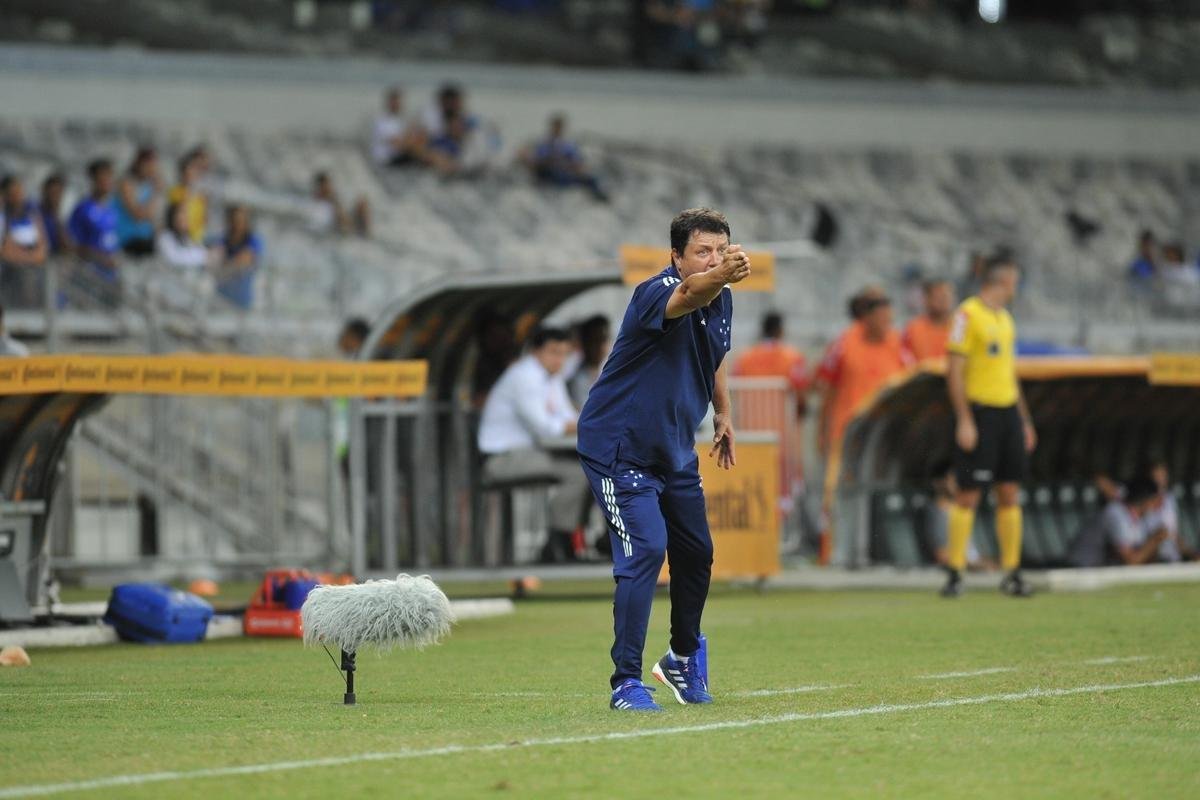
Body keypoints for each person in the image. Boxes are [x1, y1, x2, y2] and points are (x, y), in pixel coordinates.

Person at [576, 207, 750, 712]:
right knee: (647, 550)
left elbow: (715, 353)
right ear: (676, 256)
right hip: (619, 448)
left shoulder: (722, 298)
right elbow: (690, 295)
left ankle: (682, 657)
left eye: (721, 250)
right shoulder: (656, 291)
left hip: (673, 449)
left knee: (696, 552)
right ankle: (625, 682)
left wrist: (723, 413)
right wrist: (722, 274)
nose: (713, 259)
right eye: (702, 251)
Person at [942, 252, 1036, 598]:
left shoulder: (1005, 319)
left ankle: (1012, 571)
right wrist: (964, 419)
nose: (1016, 288)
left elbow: (1009, 372)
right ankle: (955, 572)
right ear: (1004, 281)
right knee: (969, 493)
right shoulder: (967, 315)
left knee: (1009, 491)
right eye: (1015, 282)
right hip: (980, 413)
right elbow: (954, 370)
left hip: (1007, 412)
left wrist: (1024, 420)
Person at [478, 326, 591, 564]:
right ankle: (557, 544)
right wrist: (589, 423)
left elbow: (568, 417)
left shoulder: (551, 377)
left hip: (529, 453)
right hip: (501, 459)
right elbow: (546, 428)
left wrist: (580, 423)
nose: (559, 359)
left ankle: (572, 541)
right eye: (553, 352)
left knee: (592, 469)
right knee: (579, 473)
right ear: (535, 351)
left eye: (564, 353)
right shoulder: (524, 376)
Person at [1068, 476, 1173, 567]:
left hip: (1097, 570)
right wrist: (1155, 540)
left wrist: (1155, 543)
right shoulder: (1116, 514)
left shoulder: (1140, 519)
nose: (1158, 506)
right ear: (1146, 500)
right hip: (1078, 568)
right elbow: (1131, 562)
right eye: (1155, 500)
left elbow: (1143, 558)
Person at [68, 159, 122, 304]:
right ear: (93, 181)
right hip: (89, 275)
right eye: (102, 178)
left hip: (110, 276)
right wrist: (99, 257)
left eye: (109, 177)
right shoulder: (83, 209)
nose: (107, 182)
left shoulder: (112, 209)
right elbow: (72, 244)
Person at [521, 114, 607, 201]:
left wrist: (573, 165)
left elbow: (576, 159)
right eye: (556, 127)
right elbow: (539, 159)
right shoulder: (545, 144)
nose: (557, 130)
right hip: (552, 174)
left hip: (565, 172)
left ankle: (600, 197)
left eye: (559, 127)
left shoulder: (567, 144)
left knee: (590, 179)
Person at [1, 175, 49, 306]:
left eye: (19, 192)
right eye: (13, 194)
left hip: (33, 276)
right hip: (11, 278)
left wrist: (28, 257)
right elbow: (5, 252)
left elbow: (42, 249)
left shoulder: (32, 215)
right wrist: (29, 257)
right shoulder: (4, 219)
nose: (18, 197)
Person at [114, 147, 162, 257]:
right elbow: (138, 215)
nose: (151, 169)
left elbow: (151, 216)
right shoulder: (126, 183)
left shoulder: (149, 186)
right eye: (148, 165)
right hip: (128, 239)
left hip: (145, 237)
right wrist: (156, 193)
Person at [214, 205, 263, 310]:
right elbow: (217, 255)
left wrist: (227, 265)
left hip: (243, 297)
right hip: (222, 294)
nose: (238, 225)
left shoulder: (254, 241)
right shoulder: (224, 239)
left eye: (241, 221)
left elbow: (245, 259)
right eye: (235, 220)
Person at [371, 86, 425, 167]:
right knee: (420, 153)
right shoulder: (382, 122)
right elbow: (397, 144)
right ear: (389, 103)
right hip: (386, 159)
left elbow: (406, 139)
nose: (398, 104)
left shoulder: (398, 120)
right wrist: (413, 143)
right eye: (395, 102)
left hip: (397, 155)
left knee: (422, 149)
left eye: (399, 102)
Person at [902, 279, 956, 361]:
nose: (943, 301)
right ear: (926, 299)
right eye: (939, 297)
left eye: (946, 296)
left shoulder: (959, 327)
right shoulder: (913, 329)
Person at [567, 314, 611, 408]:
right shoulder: (576, 379)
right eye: (595, 341)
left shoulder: (613, 369)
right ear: (584, 343)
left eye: (603, 339)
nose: (600, 346)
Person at [310, 171, 371, 237]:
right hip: (338, 225)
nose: (329, 187)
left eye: (329, 184)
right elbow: (338, 217)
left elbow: (342, 214)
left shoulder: (332, 197)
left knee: (362, 203)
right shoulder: (321, 201)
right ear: (321, 186)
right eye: (326, 185)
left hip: (346, 223)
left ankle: (364, 230)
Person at [167, 150, 208, 244]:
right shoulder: (175, 192)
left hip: (197, 238)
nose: (190, 176)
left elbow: (203, 219)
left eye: (193, 172)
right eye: (187, 173)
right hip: (180, 237)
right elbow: (176, 218)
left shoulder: (200, 196)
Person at [39, 173, 74, 257]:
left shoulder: (60, 217)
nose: (55, 198)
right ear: (44, 192)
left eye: (58, 193)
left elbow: (67, 246)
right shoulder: (35, 213)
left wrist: (56, 217)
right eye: (52, 193)